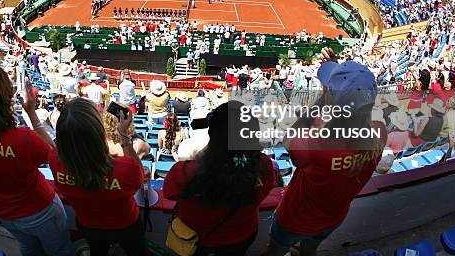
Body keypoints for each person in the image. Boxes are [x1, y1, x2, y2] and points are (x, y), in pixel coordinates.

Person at [267, 49, 386, 256]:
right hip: (334, 218)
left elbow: (289, 138)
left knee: (274, 251)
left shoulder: (315, 147)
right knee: (309, 250)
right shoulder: (379, 133)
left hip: (294, 219)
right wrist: (341, 80)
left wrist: (323, 98)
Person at [0, 65, 74, 256]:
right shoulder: (23, 138)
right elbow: (56, 157)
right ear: (6, 99)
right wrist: (32, 114)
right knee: (60, 251)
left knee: (28, 247)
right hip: (38, 211)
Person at [163, 101, 276, 255]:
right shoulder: (264, 164)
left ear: (212, 135)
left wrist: (205, 152)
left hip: (197, 239)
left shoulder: (186, 172)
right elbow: (264, 190)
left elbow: (169, 194)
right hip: (243, 235)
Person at [49, 97, 146, 256]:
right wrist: (124, 138)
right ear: (99, 131)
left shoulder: (54, 160)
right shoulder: (125, 168)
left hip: (88, 225)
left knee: (97, 252)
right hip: (125, 225)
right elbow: (139, 177)